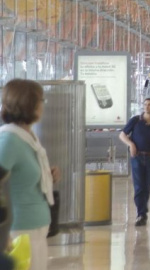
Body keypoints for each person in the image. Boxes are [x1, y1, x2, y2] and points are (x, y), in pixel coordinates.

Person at [0, 80, 60, 270]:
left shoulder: (28, 137)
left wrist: (47, 175)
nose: (43, 105)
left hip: (36, 225)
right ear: (29, 104)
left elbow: (23, 175)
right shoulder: (9, 140)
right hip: (19, 229)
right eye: (41, 100)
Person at [119, 97, 150, 226]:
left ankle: (143, 207)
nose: (146, 107)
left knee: (147, 186)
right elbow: (122, 135)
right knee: (139, 186)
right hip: (137, 157)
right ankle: (141, 213)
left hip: (149, 158)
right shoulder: (135, 120)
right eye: (145, 104)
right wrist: (131, 144)